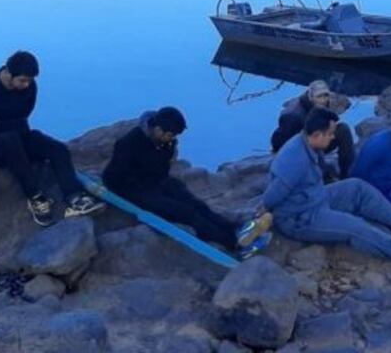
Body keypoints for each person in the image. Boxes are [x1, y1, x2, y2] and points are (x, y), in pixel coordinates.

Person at [263, 108, 391, 262]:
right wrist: (262, 216)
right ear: (317, 135)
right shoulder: (295, 159)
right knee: (354, 226)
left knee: (356, 187)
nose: (333, 137)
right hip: (300, 217)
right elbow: (271, 197)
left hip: (316, 197)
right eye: (330, 133)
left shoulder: (307, 142)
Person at [103, 106, 272, 259]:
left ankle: (234, 229)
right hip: (133, 189)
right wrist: (140, 188)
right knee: (186, 212)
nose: (173, 139)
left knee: (196, 204)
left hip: (156, 181)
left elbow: (161, 169)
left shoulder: (165, 142)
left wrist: (161, 173)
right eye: (171, 135)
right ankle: (233, 243)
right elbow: (112, 178)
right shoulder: (129, 144)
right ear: (158, 129)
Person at [0, 51, 105, 226]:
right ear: (8, 73)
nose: (26, 84)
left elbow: (24, 114)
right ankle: (35, 197)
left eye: (29, 80)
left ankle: (74, 196)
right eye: (22, 80)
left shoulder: (29, 88)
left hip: (18, 136)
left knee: (56, 149)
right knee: (10, 141)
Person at [270, 80, 355, 179]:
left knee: (343, 130)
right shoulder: (293, 116)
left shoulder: (322, 105)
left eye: (326, 95)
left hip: (317, 140)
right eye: (319, 96)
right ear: (310, 97)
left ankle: (345, 173)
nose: (323, 99)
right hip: (298, 148)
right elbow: (283, 144)